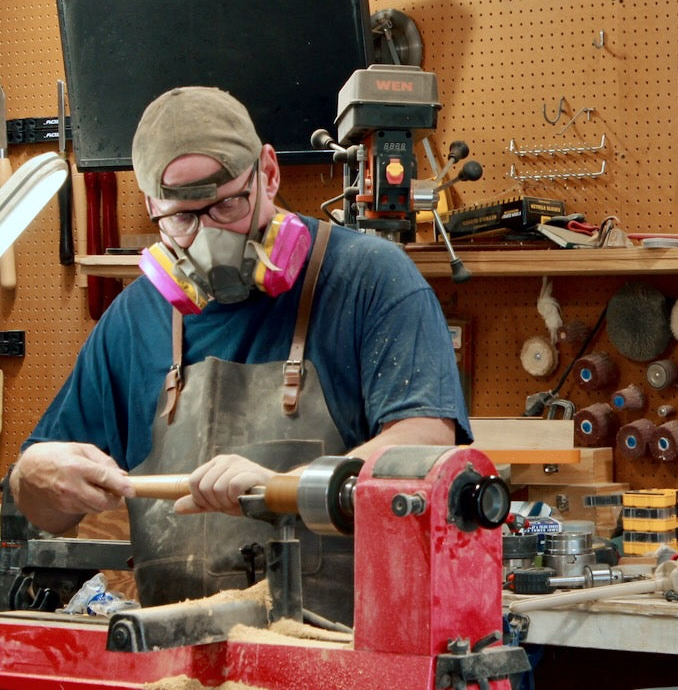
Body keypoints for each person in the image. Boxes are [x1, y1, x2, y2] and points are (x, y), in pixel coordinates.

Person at [8, 86, 471, 625]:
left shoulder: (371, 279)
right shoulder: (136, 317)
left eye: (228, 203)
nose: (210, 237)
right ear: (152, 207)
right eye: (183, 217)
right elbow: (41, 510)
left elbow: (425, 448)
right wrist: (32, 476)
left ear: (268, 173)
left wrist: (281, 485)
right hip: (181, 666)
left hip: (345, 655)